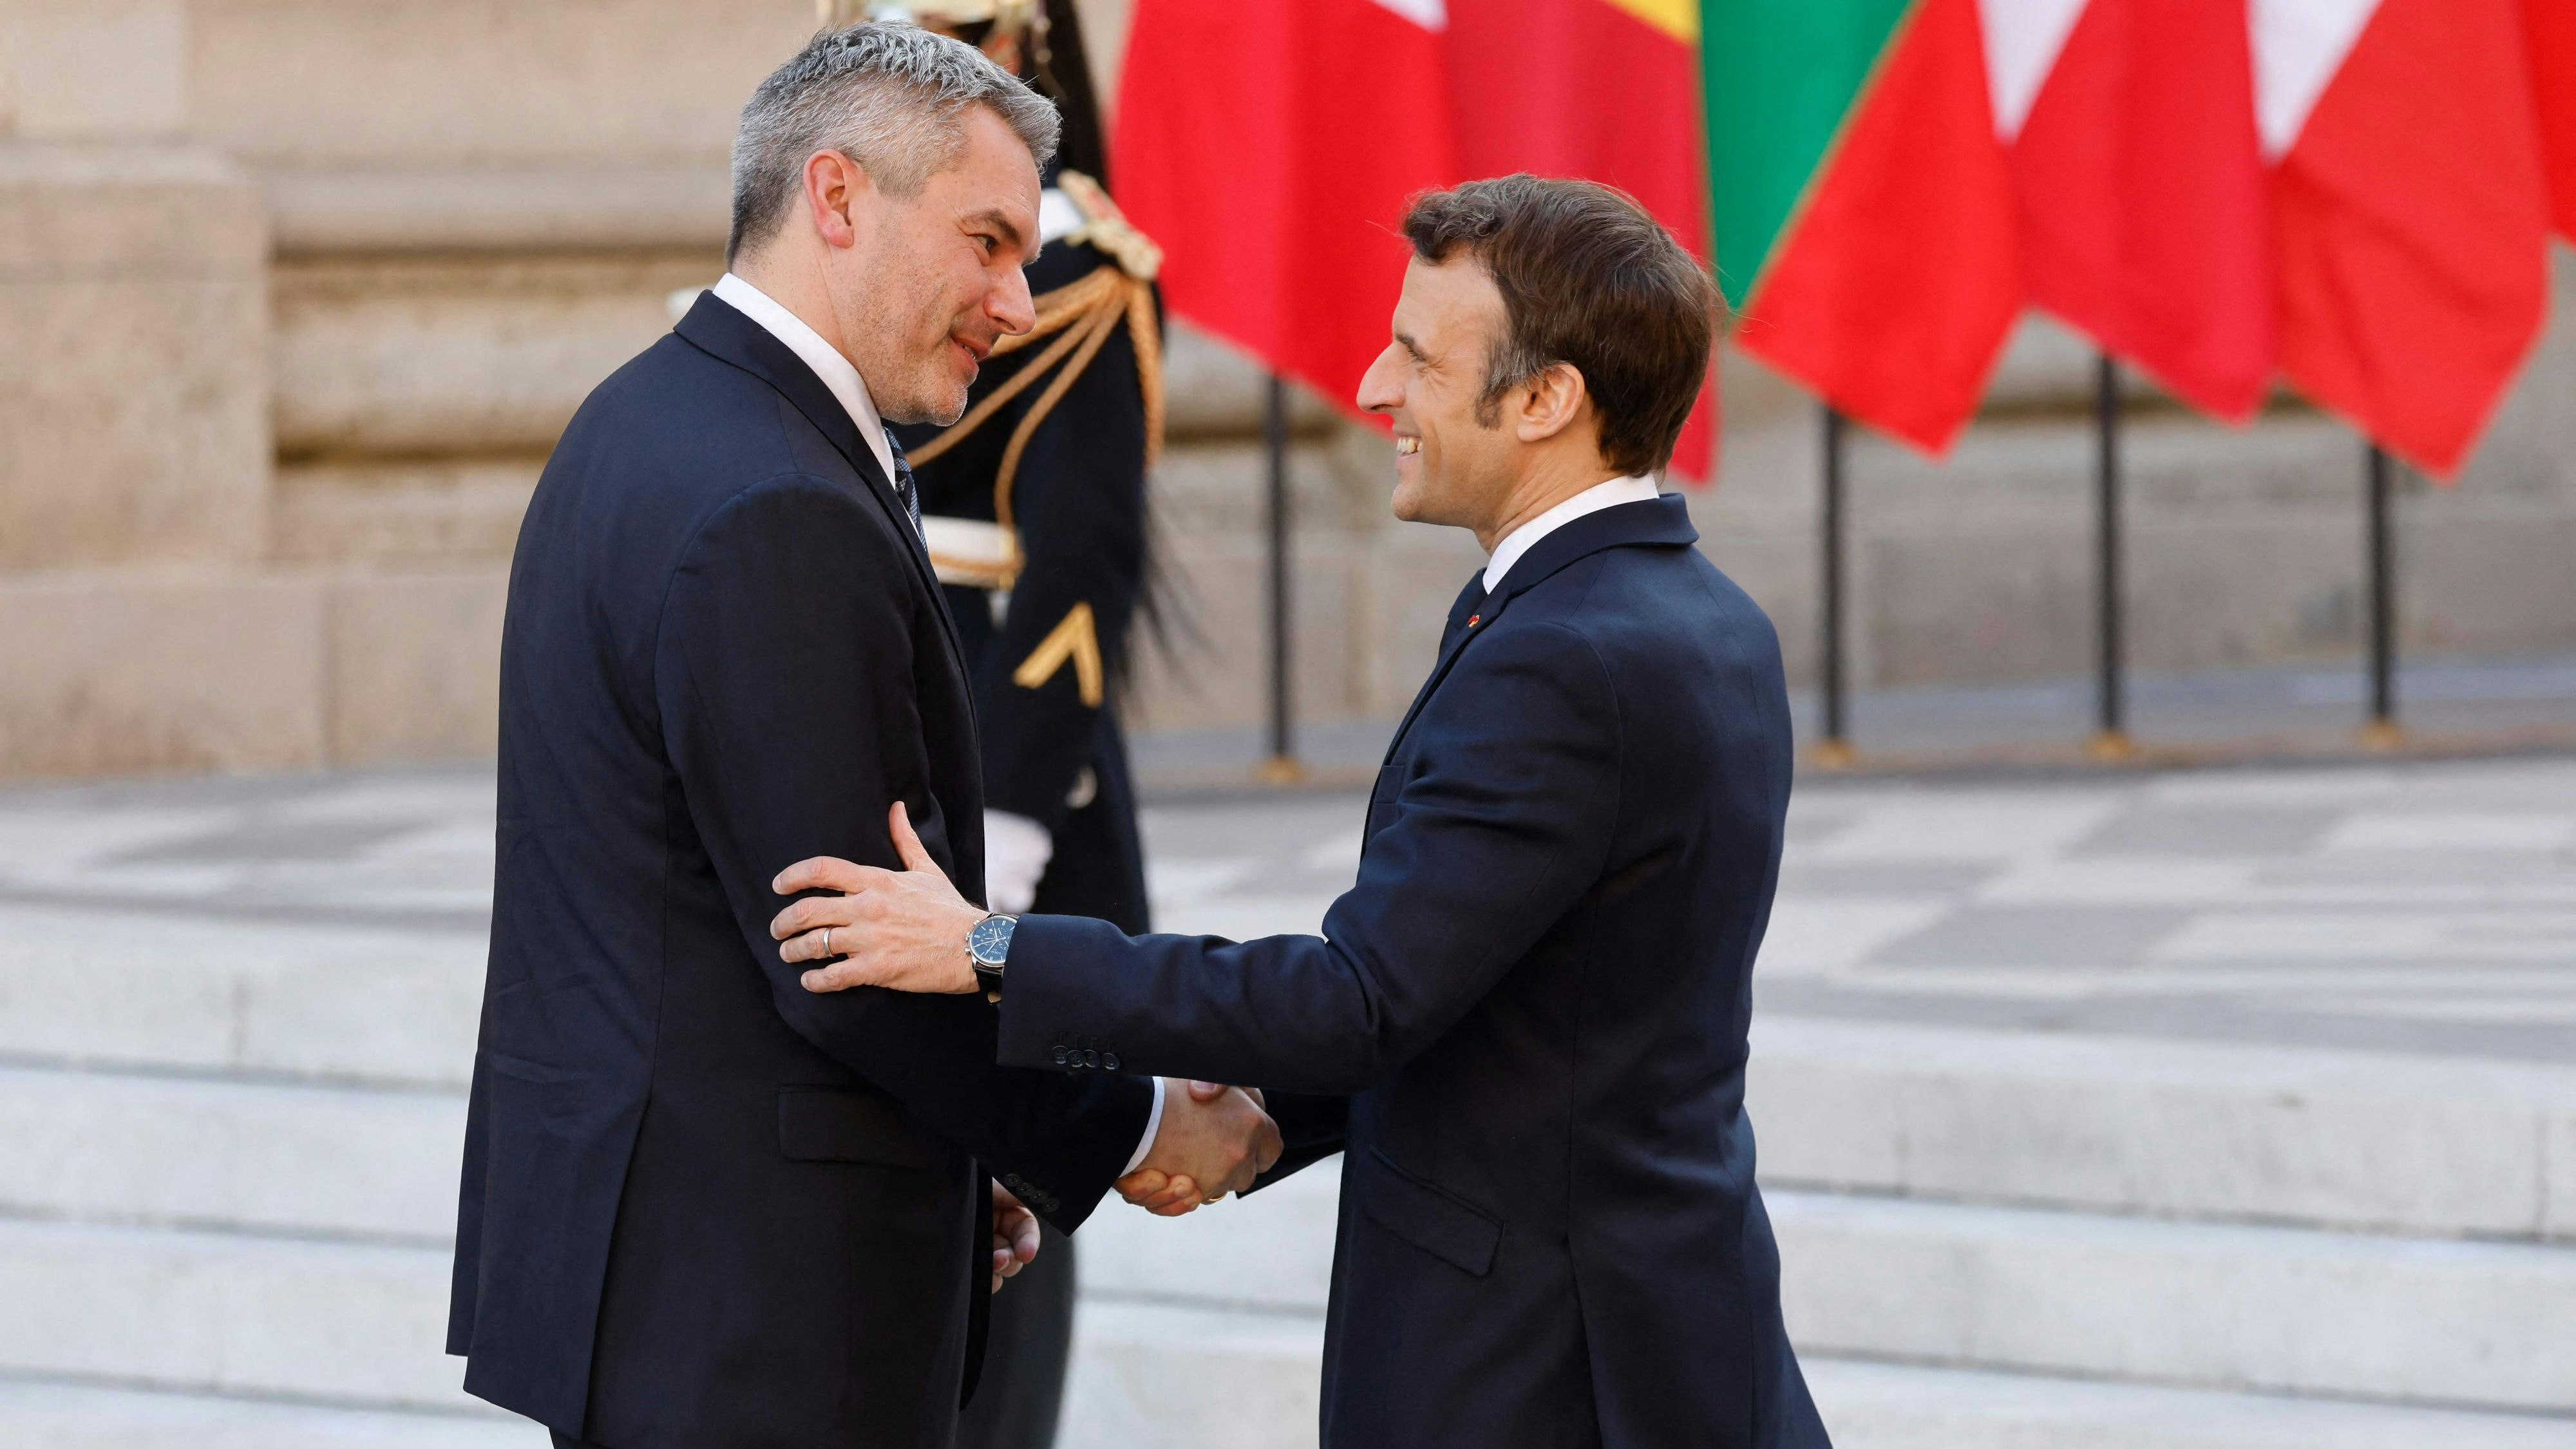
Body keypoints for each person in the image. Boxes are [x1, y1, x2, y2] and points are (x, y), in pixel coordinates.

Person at [770, 175, 1834, 1448]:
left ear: (1545, 400)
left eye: (1419, 357)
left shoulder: (1568, 654)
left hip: (1544, 1367)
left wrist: (983, 947)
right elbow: (1494, 995)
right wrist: (1253, 1125)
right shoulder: (1686, 612)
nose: (1376, 387)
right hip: (1650, 1326)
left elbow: (1357, 998)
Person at [444, 24, 1277, 1449]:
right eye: (987, 242)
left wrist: (969, 1160)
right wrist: (1136, 1130)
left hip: (681, 1278)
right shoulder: (774, 503)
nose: (1016, 301)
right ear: (836, 197)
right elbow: (846, 955)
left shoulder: (647, 418)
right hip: (755, 1316)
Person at [848, 2, 1169, 1445]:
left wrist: (1016, 833)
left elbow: (1084, 571)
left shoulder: (1085, 272)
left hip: (1009, 774)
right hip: (861, 756)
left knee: (1008, 1239)